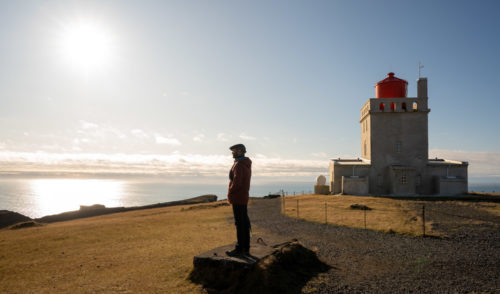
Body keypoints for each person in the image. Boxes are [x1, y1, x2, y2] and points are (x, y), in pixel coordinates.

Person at [226, 143, 252, 257]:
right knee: (244, 223)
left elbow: (237, 182)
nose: (233, 152)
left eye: (235, 150)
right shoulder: (245, 164)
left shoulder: (239, 165)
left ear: (241, 151)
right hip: (243, 197)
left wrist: (230, 192)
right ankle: (245, 247)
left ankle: (240, 248)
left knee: (240, 223)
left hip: (237, 198)